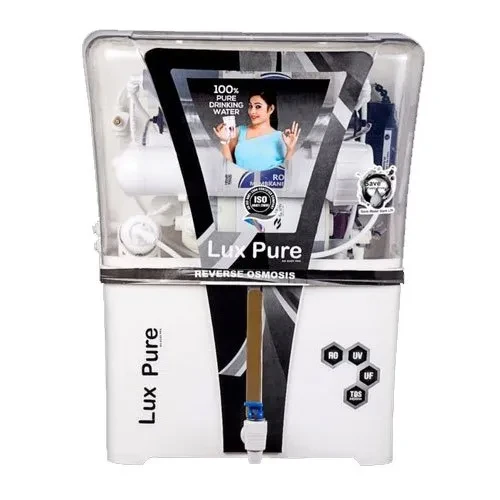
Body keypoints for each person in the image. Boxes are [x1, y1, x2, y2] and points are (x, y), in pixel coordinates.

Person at [213, 90, 300, 172]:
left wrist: (290, 149)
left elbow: (287, 174)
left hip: (269, 183)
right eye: (250, 106)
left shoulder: (282, 138)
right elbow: (227, 169)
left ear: (271, 109)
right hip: (243, 182)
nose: (252, 111)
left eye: (258, 106)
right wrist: (224, 142)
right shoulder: (239, 132)